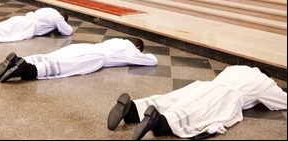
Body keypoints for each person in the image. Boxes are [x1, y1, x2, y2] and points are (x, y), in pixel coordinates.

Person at [107, 65, 287, 140]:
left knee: (175, 99)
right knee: (196, 114)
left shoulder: (237, 68)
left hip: (205, 85)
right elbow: (283, 100)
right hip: (227, 95)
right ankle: (160, 122)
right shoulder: (265, 82)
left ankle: (132, 110)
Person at [0, 37, 158, 83]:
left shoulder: (116, 40)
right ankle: (28, 70)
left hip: (85, 47)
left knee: (53, 56)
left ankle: (22, 61)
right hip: (95, 58)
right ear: (137, 48)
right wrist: (142, 54)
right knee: (63, 67)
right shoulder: (131, 50)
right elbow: (152, 61)